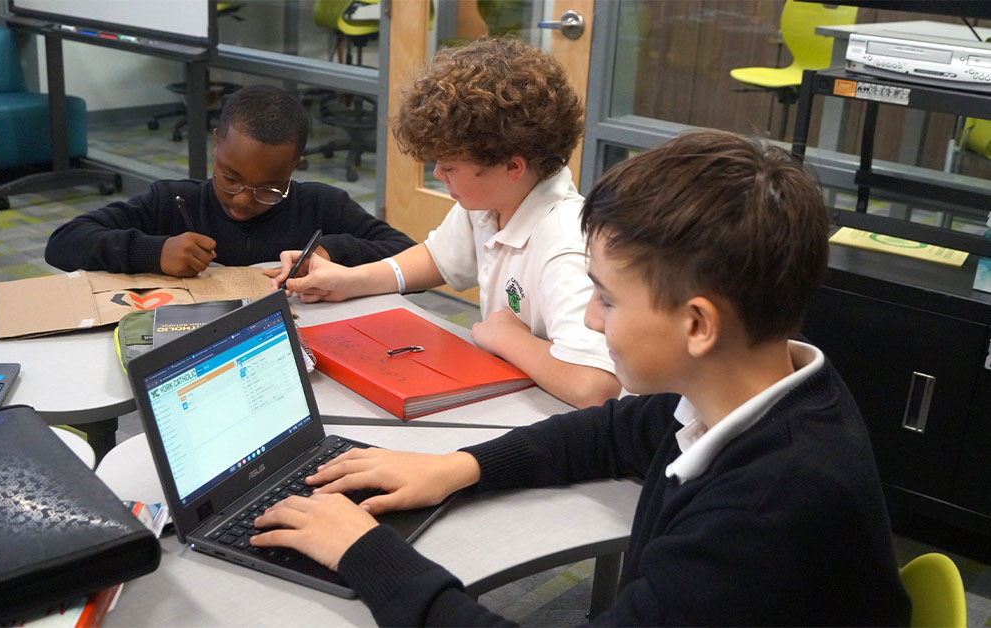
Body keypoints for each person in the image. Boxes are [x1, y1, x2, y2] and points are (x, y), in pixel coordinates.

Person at [251, 130, 912, 626]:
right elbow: (616, 431)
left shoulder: (762, 518)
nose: (591, 319)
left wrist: (367, 552)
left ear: (699, 326)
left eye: (609, 300)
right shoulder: (766, 385)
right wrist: (456, 467)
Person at [272, 38, 620, 409]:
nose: (438, 173)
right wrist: (349, 281)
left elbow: (594, 387)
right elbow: (438, 259)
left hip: (560, 416)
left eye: (450, 167)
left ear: (512, 167)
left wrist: (506, 338)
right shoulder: (492, 200)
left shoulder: (565, 245)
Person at [44, 85, 414, 278]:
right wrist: (154, 252)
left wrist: (332, 253)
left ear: (294, 167)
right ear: (217, 144)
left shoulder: (320, 206)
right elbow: (63, 244)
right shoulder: (173, 201)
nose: (242, 201)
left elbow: (406, 253)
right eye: (230, 179)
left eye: (269, 188)